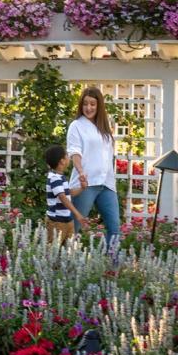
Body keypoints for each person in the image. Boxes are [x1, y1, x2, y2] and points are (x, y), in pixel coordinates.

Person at [67, 86, 120, 249]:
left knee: (114, 226)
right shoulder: (76, 126)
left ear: (99, 106)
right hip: (85, 185)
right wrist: (81, 171)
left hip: (107, 184)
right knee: (74, 227)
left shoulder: (104, 129)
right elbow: (74, 151)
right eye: (85, 104)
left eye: (92, 104)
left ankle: (112, 266)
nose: (88, 108)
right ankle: (64, 264)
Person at [44, 144, 89, 243]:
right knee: (52, 252)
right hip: (57, 222)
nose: (70, 158)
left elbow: (69, 193)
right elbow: (63, 197)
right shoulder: (54, 178)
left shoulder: (60, 177)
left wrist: (82, 188)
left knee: (69, 251)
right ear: (62, 161)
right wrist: (77, 214)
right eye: (67, 156)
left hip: (67, 220)